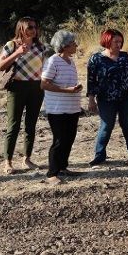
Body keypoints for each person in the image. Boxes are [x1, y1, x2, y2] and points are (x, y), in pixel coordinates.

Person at [87, 29, 128, 167]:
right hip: (106, 99)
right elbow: (91, 81)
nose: (119, 44)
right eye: (116, 41)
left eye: (120, 41)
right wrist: (91, 99)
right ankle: (100, 156)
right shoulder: (96, 59)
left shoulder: (126, 57)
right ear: (107, 41)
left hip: (126, 98)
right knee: (106, 126)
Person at [0, 17, 47, 174]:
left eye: (35, 27)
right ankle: (8, 161)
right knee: (13, 124)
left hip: (36, 87)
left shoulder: (41, 47)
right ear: (21, 29)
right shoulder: (11, 45)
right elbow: (0, 66)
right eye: (29, 27)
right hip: (17, 87)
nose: (33, 30)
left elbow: (46, 67)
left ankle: (27, 158)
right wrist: (17, 53)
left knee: (31, 125)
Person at [41, 30, 83, 185]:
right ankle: (52, 173)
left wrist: (75, 89)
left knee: (69, 139)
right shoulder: (53, 61)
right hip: (57, 109)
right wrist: (67, 90)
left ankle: (63, 167)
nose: (76, 45)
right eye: (73, 43)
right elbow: (44, 83)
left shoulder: (70, 61)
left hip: (72, 107)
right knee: (59, 140)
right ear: (65, 46)